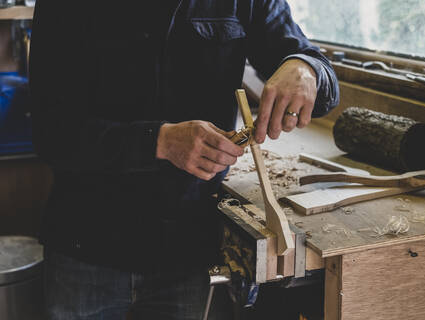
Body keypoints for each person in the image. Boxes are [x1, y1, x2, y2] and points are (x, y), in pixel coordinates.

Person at [29, 0, 339, 319]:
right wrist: (159, 141)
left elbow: (326, 87)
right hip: (87, 242)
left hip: (185, 249)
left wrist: (306, 68)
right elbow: (50, 132)